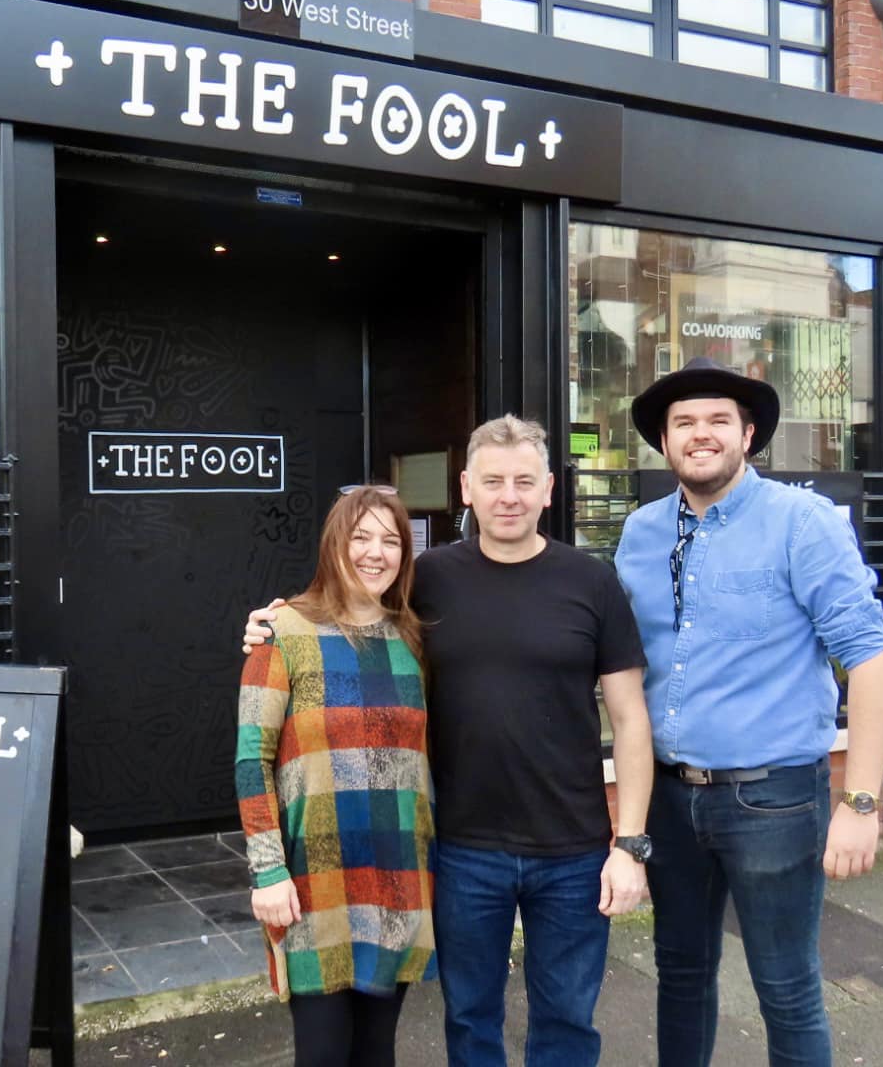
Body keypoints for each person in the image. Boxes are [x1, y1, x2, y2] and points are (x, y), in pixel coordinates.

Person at [248, 417, 655, 1067]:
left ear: (549, 488)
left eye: (525, 481)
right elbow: (351, 606)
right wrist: (275, 622)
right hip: (463, 851)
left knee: (568, 1025)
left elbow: (632, 720)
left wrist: (629, 844)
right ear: (467, 487)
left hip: (574, 849)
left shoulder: (592, 581)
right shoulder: (427, 579)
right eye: (493, 481)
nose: (509, 496)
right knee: (470, 1023)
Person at [614, 356, 883, 1066]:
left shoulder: (802, 522)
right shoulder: (641, 534)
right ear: (665, 442)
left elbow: (868, 659)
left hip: (772, 798)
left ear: (747, 434)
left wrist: (862, 801)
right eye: (684, 423)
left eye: (717, 421)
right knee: (679, 976)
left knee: (787, 989)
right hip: (671, 800)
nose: (699, 434)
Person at [236, 485, 436, 1067]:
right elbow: (252, 759)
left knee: (377, 1052)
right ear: (334, 546)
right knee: (321, 1054)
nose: (376, 552)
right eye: (361, 537)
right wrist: (267, 870)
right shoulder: (283, 633)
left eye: (391, 540)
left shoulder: (411, 638)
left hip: (398, 873)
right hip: (313, 878)